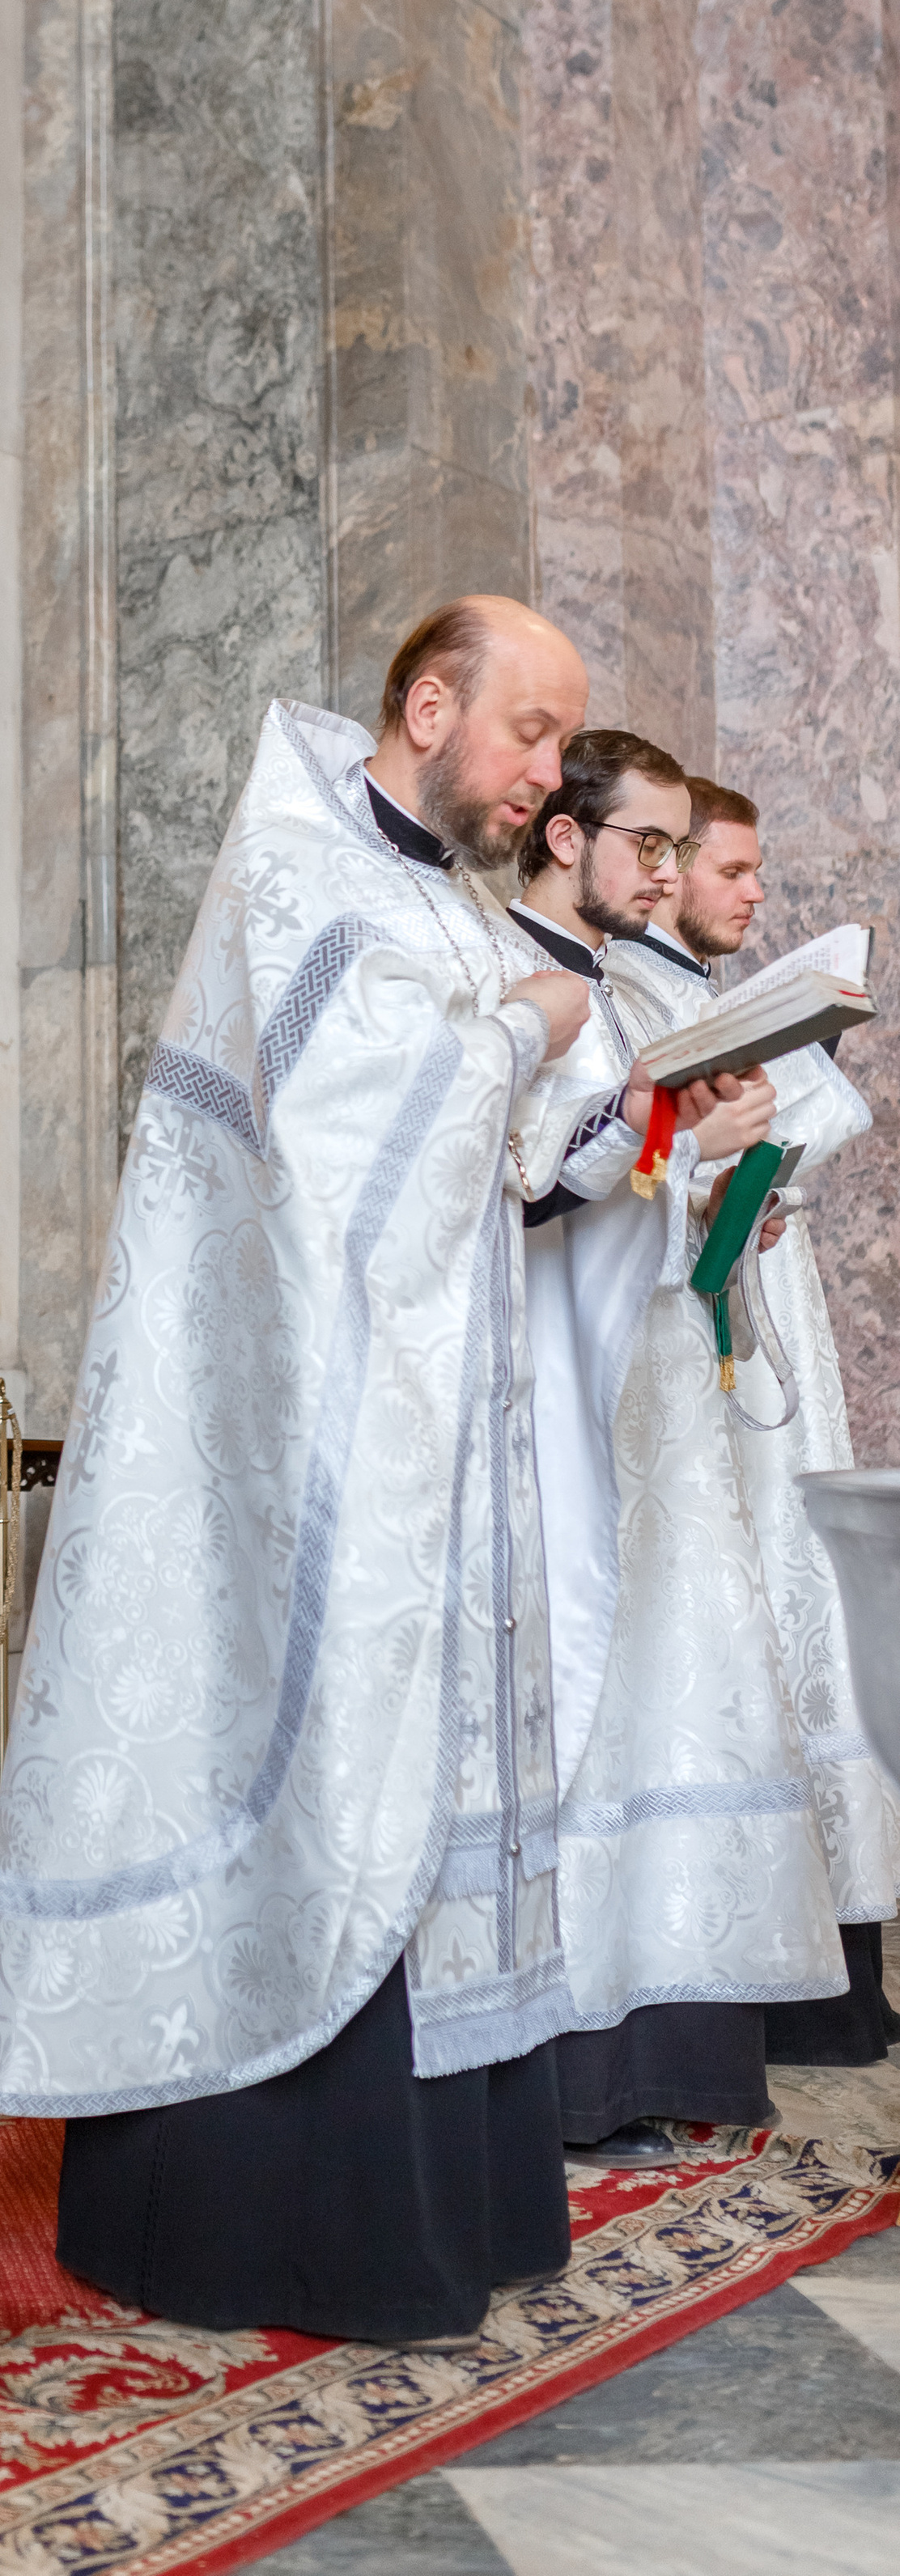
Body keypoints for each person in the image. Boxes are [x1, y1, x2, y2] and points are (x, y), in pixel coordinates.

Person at [0, 599, 749, 2346]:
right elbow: (331, 1142)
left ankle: (453, 2201)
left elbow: (490, 1175)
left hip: (438, 1452)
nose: (548, 778)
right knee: (322, 1786)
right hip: (304, 1457)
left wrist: (621, 1112)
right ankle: (271, 2229)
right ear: (428, 704)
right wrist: (519, 1033)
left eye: (562, 745)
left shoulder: (439, 898)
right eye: (530, 735)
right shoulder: (296, 874)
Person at [510, 737, 840, 2159]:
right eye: (649, 844)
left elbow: (632, 1186)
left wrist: (722, 1185)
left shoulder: (625, 983)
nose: (667, 869)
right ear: (563, 834)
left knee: (667, 1684)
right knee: (581, 1699)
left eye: (672, 848)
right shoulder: (507, 969)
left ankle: (662, 2045)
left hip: (650, 1386)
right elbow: (517, 1181)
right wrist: (675, 1149)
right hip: (552, 1385)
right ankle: (572, 2064)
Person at [639, 777, 897, 2070]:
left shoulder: (708, 999)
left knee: (808, 1612)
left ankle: (836, 1972)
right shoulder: (639, 997)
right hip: (701, 1344)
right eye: (729, 869)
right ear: (668, 866)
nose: (753, 891)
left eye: (755, 870)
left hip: (769, 1309)